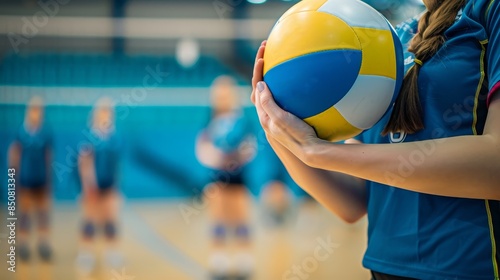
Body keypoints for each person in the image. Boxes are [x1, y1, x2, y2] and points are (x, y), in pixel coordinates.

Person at [251, 0, 500, 279]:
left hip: (472, 267)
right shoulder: (390, 35)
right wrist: (278, 132)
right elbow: (353, 201)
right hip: (383, 267)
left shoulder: (489, 12)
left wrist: (319, 152)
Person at [195, 76, 255, 280]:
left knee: (240, 217)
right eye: (219, 94)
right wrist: (217, 157)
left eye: (226, 93)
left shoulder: (242, 120)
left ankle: (243, 257)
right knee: (218, 216)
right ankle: (219, 259)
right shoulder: (209, 120)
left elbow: (250, 146)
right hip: (216, 178)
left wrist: (237, 155)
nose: (222, 98)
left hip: (238, 177)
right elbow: (202, 147)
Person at [76, 97, 122, 274]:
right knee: (89, 221)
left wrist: (116, 188)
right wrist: (88, 185)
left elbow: (117, 165)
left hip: (109, 186)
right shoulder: (90, 136)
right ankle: (86, 254)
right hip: (92, 187)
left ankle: (112, 252)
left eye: (108, 112)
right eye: (102, 111)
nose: (105, 115)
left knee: (110, 220)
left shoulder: (114, 137)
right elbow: (84, 162)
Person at [8, 96, 53, 262]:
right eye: (34, 109)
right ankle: (23, 244)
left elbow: (49, 156)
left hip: (41, 179)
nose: (36, 113)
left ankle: (43, 244)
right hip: (25, 179)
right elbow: (14, 154)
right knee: (25, 214)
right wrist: (14, 177)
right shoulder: (21, 131)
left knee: (42, 213)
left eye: (39, 110)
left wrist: (49, 179)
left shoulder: (46, 132)